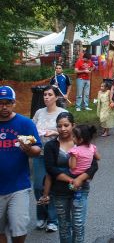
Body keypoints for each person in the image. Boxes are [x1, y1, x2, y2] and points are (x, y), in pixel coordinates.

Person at [44, 112, 98, 243]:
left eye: (66, 125)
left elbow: (94, 165)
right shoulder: (50, 146)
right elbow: (51, 168)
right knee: (64, 225)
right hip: (59, 191)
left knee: (78, 224)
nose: (63, 129)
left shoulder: (83, 144)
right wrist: (70, 180)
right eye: (59, 126)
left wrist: (79, 179)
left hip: (80, 189)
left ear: (73, 125)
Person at [0, 86, 42, 243]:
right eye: (0, 103)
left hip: (18, 185)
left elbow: (38, 148)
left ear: (14, 103)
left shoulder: (24, 123)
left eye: (8, 103)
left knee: (19, 228)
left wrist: (29, 150)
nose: (4, 106)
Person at [31, 85, 66, 232]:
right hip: (39, 154)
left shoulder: (63, 113)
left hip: (56, 155)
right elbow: (31, 129)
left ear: (56, 97)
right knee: (38, 186)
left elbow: (69, 133)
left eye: (49, 95)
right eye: (45, 95)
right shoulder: (39, 112)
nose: (46, 97)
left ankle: (53, 219)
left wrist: (54, 132)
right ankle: (41, 216)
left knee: (51, 187)